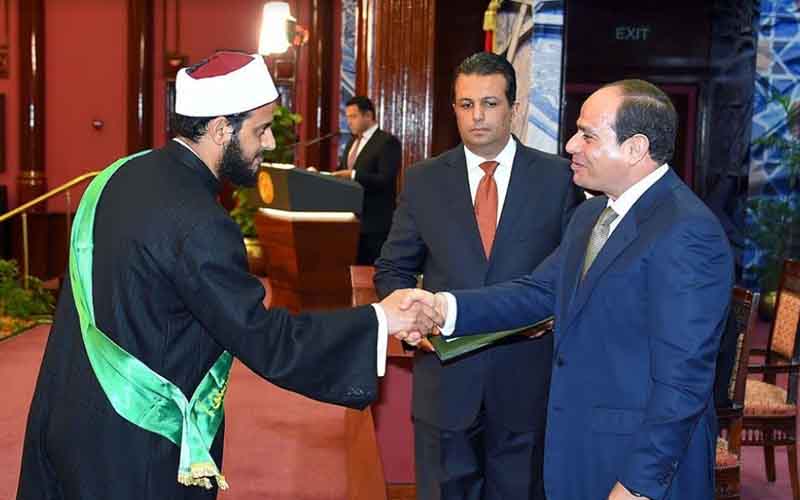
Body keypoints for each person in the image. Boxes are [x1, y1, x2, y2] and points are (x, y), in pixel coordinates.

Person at [16, 51, 435, 500]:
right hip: (137, 451)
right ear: (220, 129)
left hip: (69, 414)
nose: (269, 143)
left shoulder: (118, 176)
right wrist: (383, 319)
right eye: (260, 129)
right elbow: (266, 339)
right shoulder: (201, 223)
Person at [409, 80, 734, 500]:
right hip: (578, 449)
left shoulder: (687, 231)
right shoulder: (591, 214)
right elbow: (537, 292)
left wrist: (639, 485)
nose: (570, 145)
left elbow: (684, 381)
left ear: (635, 148)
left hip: (636, 466)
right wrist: (441, 307)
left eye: (587, 135)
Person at [374, 52, 583, 500]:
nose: (477, 116)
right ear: (454, 109)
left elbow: (574, 272)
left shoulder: (558, 178)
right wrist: (411, 322)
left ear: (514, 108)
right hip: (446, 382)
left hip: (527, 383)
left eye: (490, 103)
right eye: (466, 105)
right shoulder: (424, 180)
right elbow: (393, 268)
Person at [333, 96, 402, 264]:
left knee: (369, 272)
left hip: (375, 224)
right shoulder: (352, 142)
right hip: (351, 222)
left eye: (353, 116)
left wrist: (354, 175)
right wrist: (324, 176)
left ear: (368, 116)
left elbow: (385, 179)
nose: (349, 122)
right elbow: (342, 171)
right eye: (347, 117)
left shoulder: (387, 142)